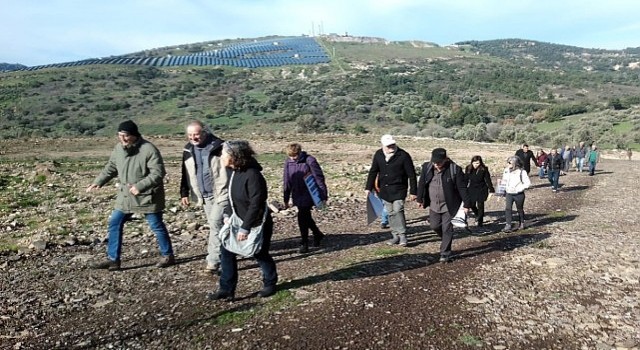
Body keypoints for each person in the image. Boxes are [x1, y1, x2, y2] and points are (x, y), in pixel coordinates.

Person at [87, 120, 175, 271]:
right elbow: (112, 167)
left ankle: (168, 255)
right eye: (120, 135)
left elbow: (158, 173)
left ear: (134, 135)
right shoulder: (118, 149)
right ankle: (113, 260)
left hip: (147, 196)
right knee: (115, 222)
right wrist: (99, 181)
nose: (122, 139)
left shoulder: (149, 150)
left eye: (126, 135)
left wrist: (140, 186)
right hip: (126, 196)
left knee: (156, 225)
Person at [208, 140, 278, 301]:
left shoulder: (253, 175)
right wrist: (228, 217)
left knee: (260, 254)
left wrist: (245, 228)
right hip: (238, 220)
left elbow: (256, 204)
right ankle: (226, 289)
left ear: (234, 156)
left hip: (257, 223)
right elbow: (233, 199)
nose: (221, 157)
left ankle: (270, 284)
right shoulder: (235, 172)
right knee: (226, 251)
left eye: (224, 154)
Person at [179, 120, 228, 273]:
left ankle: (213, 262)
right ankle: (232, 250)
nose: (193, 138)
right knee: (221, 225)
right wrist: (184, 192)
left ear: (204, 133)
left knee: (215, 225)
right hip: (204, 196)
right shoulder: (188, 150)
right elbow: (185, 172)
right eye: (190, 135)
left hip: (221, 193)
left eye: (196, 134)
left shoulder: (220, 146)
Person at [417, 148, 471, 262]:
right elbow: (422, 183)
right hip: (433, 205)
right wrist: (419, 199)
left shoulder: (454, 169)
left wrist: (467, 204)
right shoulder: (427, 167)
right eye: (435, 162)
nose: (437, 165)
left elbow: (462, 188)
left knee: (447, 229)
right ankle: (446, 239)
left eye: (439, 162)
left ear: (446, 159)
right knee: (434, 226)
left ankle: (445, 253)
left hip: (450, 205)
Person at [365, 134, 417, 246]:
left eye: (393, 144)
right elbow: (373, 171)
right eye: (389, 146)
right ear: (383, 145)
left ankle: (403, 235)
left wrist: (413, 191)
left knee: (398, 211)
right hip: (384, 190)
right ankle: (395, 235)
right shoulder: (378, 154)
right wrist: (368, 187)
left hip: (399, 189)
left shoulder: (403, 155)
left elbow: (411, 174)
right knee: (390, 212)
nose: (391, 147)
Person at [283, 143, 328, 253]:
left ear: (299, 153)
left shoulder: (310, 160)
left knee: (302, 215)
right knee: (305, 216)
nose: (293, 158)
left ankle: (304, 242)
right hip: (297, 193)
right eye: (290, 156)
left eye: (295, 156)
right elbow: (287, 180)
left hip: (309, 193)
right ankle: (317, 234)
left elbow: (319, 178)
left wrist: (323, 195)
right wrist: (286, 197)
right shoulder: (288, 163)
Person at [465, 156, 495, 230]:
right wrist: (463, 188)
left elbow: (488, 180)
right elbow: (466, 179)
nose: (476, 164)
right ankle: (478, 215)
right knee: (471, 204)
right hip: (472, 188)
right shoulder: (468, 168)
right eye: (475, 163)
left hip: (481, 188)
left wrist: (491, 189)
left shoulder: (483, 169)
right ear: (472, 162)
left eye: (478, 163)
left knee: (480, 205)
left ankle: (480, 222)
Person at [501, 156, 531, 232]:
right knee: (508, 208)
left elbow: (527, 183)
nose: (508, 164)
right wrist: (501, 189)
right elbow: (504, 180)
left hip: (519, 194)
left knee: (519, 209)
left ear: (515, 163)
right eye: (507, 162)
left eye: (509, 162)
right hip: (509, 193)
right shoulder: (506, 170)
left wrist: (519, 189)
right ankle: (508, 225)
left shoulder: (522, 172)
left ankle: (522, 222)